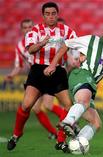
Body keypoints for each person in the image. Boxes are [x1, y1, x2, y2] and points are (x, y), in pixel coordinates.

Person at [7, 2, 76, 153]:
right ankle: (17, 134)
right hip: (38, 70)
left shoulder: (67, 31)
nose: (51, 17)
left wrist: (78, 59)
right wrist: (42, 43)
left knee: (68, 106)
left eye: (53, 13)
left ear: (57, 14)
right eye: (47, 14)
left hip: (58, 71)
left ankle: (60, 141)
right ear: (43, 15)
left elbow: (75, 47)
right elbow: (31, 50)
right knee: (26, 105)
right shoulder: (35, 31)